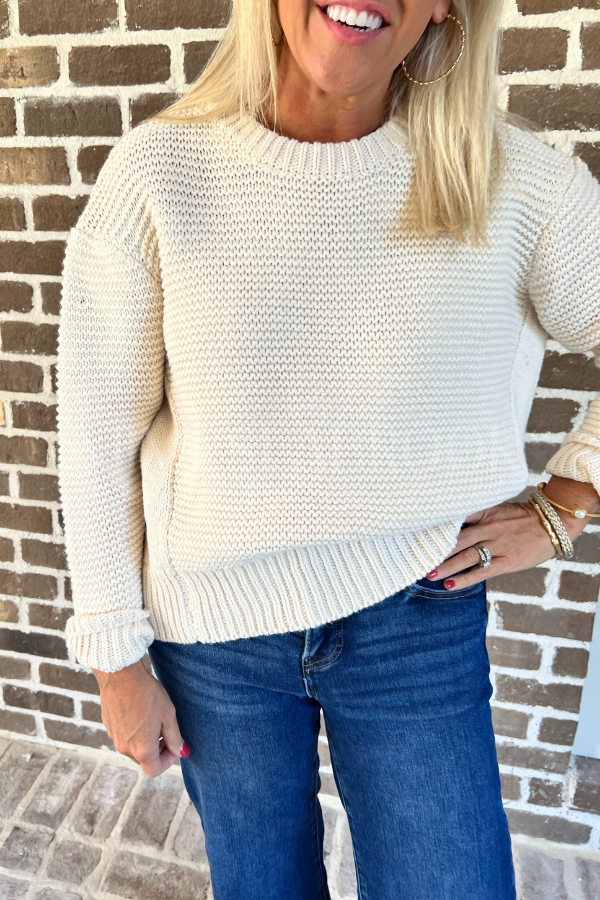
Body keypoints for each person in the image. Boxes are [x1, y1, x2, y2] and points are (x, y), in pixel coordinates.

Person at [56, 1, 600, 898]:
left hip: (418, 612)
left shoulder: (515, 185)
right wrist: (116, 657)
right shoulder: (158, 175)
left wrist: (568, 504)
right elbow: (95, 435)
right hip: (215, 638)